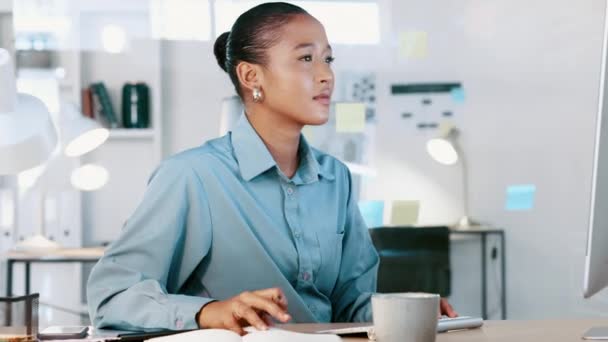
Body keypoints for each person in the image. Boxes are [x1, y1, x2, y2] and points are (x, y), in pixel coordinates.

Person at [87, 2, 456, 335]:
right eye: (306, 59)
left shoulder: (336, 178)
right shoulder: (193, 176)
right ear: (251, 77)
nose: (326, 75)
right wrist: (211, 312)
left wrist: (405, 311)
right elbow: (112, 295)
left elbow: (350, 303)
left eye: (328, 59)